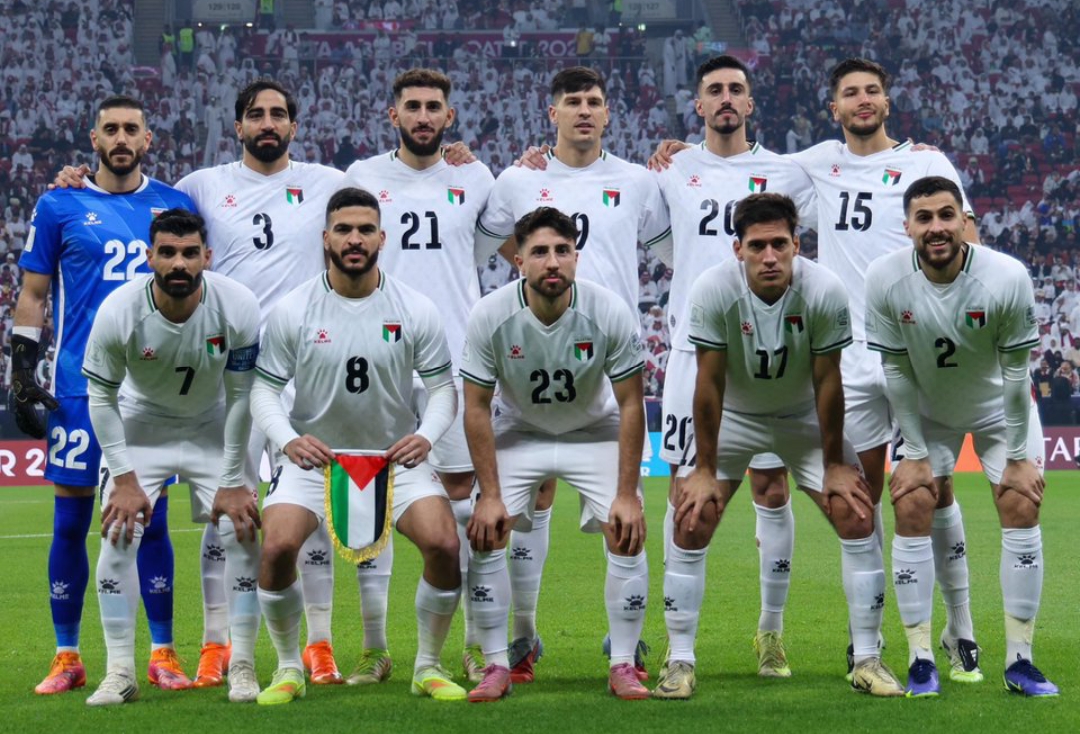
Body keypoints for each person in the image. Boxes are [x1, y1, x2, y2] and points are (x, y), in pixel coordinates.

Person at [663, 193, 902, 699]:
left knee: (857, 511)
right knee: (692, 516)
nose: (769, 256)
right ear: (738, 250)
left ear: (797, 244)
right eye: (757, 246)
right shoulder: (712, 289)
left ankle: (867, 658)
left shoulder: (824, 289)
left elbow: (829, 381)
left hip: (801, 418)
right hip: (735, 417)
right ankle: (679, 660)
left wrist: (835, 463)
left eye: (779, 244)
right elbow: (708, 384)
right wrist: (703, 470)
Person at [789, 58, 983, 679]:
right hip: (848, 356)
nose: (863, 99)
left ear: (887, 101)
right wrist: (681, 153)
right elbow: (739, 172)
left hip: (919, 350)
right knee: (860, 496)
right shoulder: (815, 164)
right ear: (835, 108)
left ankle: (959, 627)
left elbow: (968, 238)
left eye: (872, 90)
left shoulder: (928, 162)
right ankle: (865, 638)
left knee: (935, 488)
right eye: (850, 92)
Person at [475, 65, 670, 682]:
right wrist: (534, 269)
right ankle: (521, 637)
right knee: (525, 503)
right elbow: (476, 242)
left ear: (608, 113)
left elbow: (674, 248)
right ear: (551, 113)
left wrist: (685, 162)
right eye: (572, 102)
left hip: (606, 358)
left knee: (623, 517)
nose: (584, 110)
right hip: (532, 356)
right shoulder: (516, 179)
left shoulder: (637, 180)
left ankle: (624, 646)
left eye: (594, 101)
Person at [250, 187, 465, 705]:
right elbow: (263, 390)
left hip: (392, 457)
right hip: (316, 459)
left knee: (444, 544)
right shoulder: (293, 309)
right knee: (276, 548)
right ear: (325, 238)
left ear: (382, 239)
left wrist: (425, 436)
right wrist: (289, 440)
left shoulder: (415, 307)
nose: (354, 239)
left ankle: (427, 666)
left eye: (365, 230)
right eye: (344, 229)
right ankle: (288, 667)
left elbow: (443, 389)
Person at [14, 95, 197, 695]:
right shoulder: (58, 203)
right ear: (94, 138)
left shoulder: (174, 205)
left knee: (154, 521)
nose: (121, 138)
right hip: (77, 385)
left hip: (152, 389)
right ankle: (67, 656)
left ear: (148, 139)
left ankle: (163, 652)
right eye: (110, 129)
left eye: (131, 129)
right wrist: (22, 370)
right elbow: (34, 292)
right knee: (69, 523)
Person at [172, 80, 347, 686]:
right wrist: (78, 179)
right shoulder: (201, 185)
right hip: (231, 374)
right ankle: (215, 643)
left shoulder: (328, 182)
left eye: (277, 114)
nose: (266, 123)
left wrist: (455, 156)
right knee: (226, 511)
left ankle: (320, 644)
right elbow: (148, 219)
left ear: (294, 126)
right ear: (238, 126)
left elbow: (397, 195)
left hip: (306, 369)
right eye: (255, 114)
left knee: (312, 512)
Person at [653, 55, 817, 677]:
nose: (726, 98)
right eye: (714, 90)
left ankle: (771, 633)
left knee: (772, 488)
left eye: (736, 90)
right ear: (697, 105)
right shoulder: (671, 170)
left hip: (769, 355)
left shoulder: (788, 173)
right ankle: (679, 649)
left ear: (750, 103)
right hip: (692, 355)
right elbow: (663, 246)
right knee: (686, 495)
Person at [865, 176, 1058, 697]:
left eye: (946, 215)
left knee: (1021, 501)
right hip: (928, 412)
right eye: (924, 218)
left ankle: (1020, 660)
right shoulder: (884, 279)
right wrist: (914, 453)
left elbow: (1016, 375)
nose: (936, 227)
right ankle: (921, 657)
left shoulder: (1005, 276)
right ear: (907, 227)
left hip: (999, 412)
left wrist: (1017, 456)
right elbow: (896, 371)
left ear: (964, 221)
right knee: (912, 501)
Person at [343, 68, 496, 685]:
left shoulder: (475, 177)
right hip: (378, 361)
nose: (424, 116)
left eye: (434, 106)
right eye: (413, 106)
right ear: (394, 115)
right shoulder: (361, 176)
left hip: (453, 363)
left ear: (449, 117)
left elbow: (490, 247)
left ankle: (475, 644)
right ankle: (375, 648)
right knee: (367, 498)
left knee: (464, 500)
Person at [461, 207, 649, 702]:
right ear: (518, 260)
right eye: (540, 252)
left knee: (627, 530)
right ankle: (498, 663)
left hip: (593, 431)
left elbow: (631, 404)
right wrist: (490, 496)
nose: (552, 262)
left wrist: (627, 494)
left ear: (575, 258)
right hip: (521, 432)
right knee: (486, 533)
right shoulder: (490, 315)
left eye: (563, 251)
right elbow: (476, 408)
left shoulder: (607, 310)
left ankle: (623, 662)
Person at [82, 209, 262, 705]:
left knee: (242, 531)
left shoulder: (238, 304)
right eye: (167, 252)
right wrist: (123, 478)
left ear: (207, 256)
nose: (178, 263)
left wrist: (232, 479)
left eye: (189, 253)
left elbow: (242, 396)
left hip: (213, 423)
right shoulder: (119, 310)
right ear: (149, 257)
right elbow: (101, 397)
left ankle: (242, 666)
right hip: (143, 424)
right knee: (118, 533)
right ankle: (120, 671)